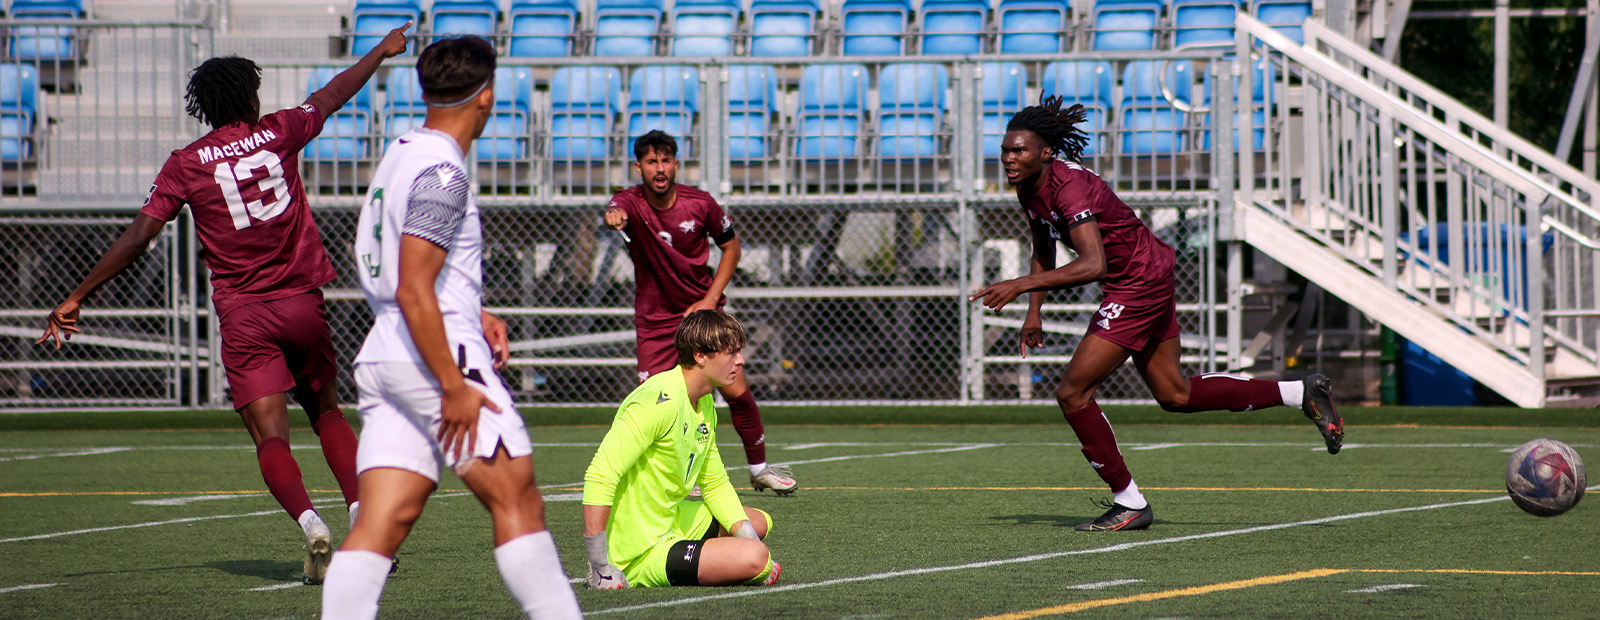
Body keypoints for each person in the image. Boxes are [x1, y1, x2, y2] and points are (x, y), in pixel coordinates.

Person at [36, 24, 412, 583]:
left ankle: (310, 522)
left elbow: (139, 237)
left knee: (271, 437)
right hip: (302, 303)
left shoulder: (186, 164)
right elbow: (333, 94)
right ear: (250, 98)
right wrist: (379, 52)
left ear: (203, 107)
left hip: (245, 315)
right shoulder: (282, 130)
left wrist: (76, 295)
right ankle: (364, 516)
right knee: (327, 411)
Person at [970, 95, 1345, 532]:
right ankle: (1300, 393)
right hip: (1145, 273)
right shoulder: (1028, 187)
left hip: (1137, 281)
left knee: (1073, 393)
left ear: (1046, 153)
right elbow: (1043, 247)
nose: (1008, 158)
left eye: (1018, 150)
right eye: (1005, 150)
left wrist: (1018, 285)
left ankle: (1129, 502)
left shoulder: (1069, 186)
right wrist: (1034, 312)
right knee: (1175, 395)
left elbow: (1094, 264)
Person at [318, 36, 581, 620]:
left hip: (384, 351)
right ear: (485, 96)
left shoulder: (402, 151)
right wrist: (453, 384)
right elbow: (415, 285)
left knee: (384, 521)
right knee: (519, 500)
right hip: (432, 356)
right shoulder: (444, 170)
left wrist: (470, 307)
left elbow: (404, 271)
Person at [603, 130, 797, 495]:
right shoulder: (630, 200)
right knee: (655, 403)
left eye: (665, 160)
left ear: (676, 162)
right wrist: (614, 215)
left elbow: (733, 249)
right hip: (656, 319)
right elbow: (617, 207)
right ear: (638, 166)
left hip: (702, 312)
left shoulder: (701, 203)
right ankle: (668, 479)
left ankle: (759, 469)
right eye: (651, 162)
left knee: (737, 391)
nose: (659, 169)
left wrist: (710, 299)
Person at [582, 309, 781, 589]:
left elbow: (714, 482)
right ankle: (630, 565)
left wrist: (746, 537)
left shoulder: (705, 402)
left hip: (671, 520)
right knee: (756, 558)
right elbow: (601, 474)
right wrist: (600, 566)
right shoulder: (656, 400)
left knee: (758, 523)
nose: (741, 361)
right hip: (640, 546)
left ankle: (718, 551)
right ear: (701, 356)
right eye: (732, 353)